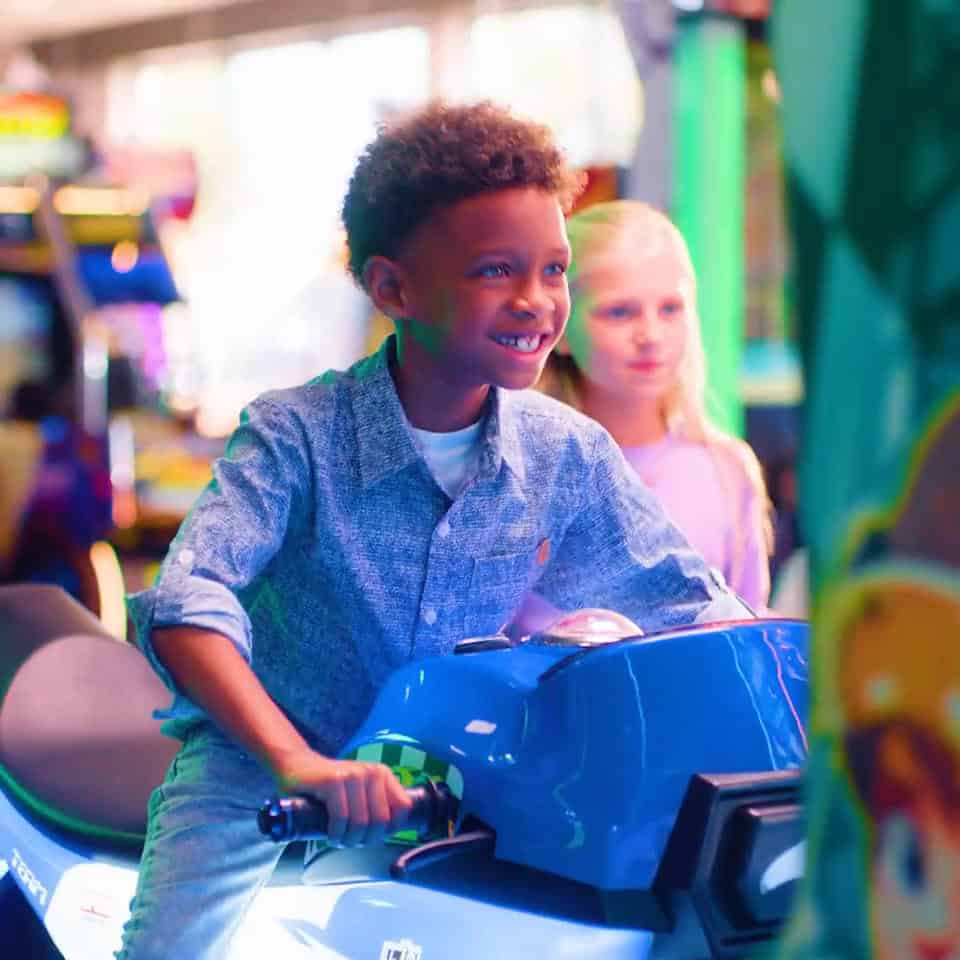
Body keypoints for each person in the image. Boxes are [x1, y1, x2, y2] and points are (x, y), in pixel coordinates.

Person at [117, 102, 751, 959]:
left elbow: (695, 608)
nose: (536, 301)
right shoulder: (296, 433)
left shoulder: (563, 451)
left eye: (555, 270)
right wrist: (294, 762)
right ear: (391, 288)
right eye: (497, 271)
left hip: (447, 785)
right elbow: (191, 597)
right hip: (255, 775)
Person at [535, 200, 772, 611]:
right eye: (620, 312)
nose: (650, 334)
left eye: (670, 309)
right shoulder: (520, 474)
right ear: (561, 330)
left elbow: (748, 639)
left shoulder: (728, 470)